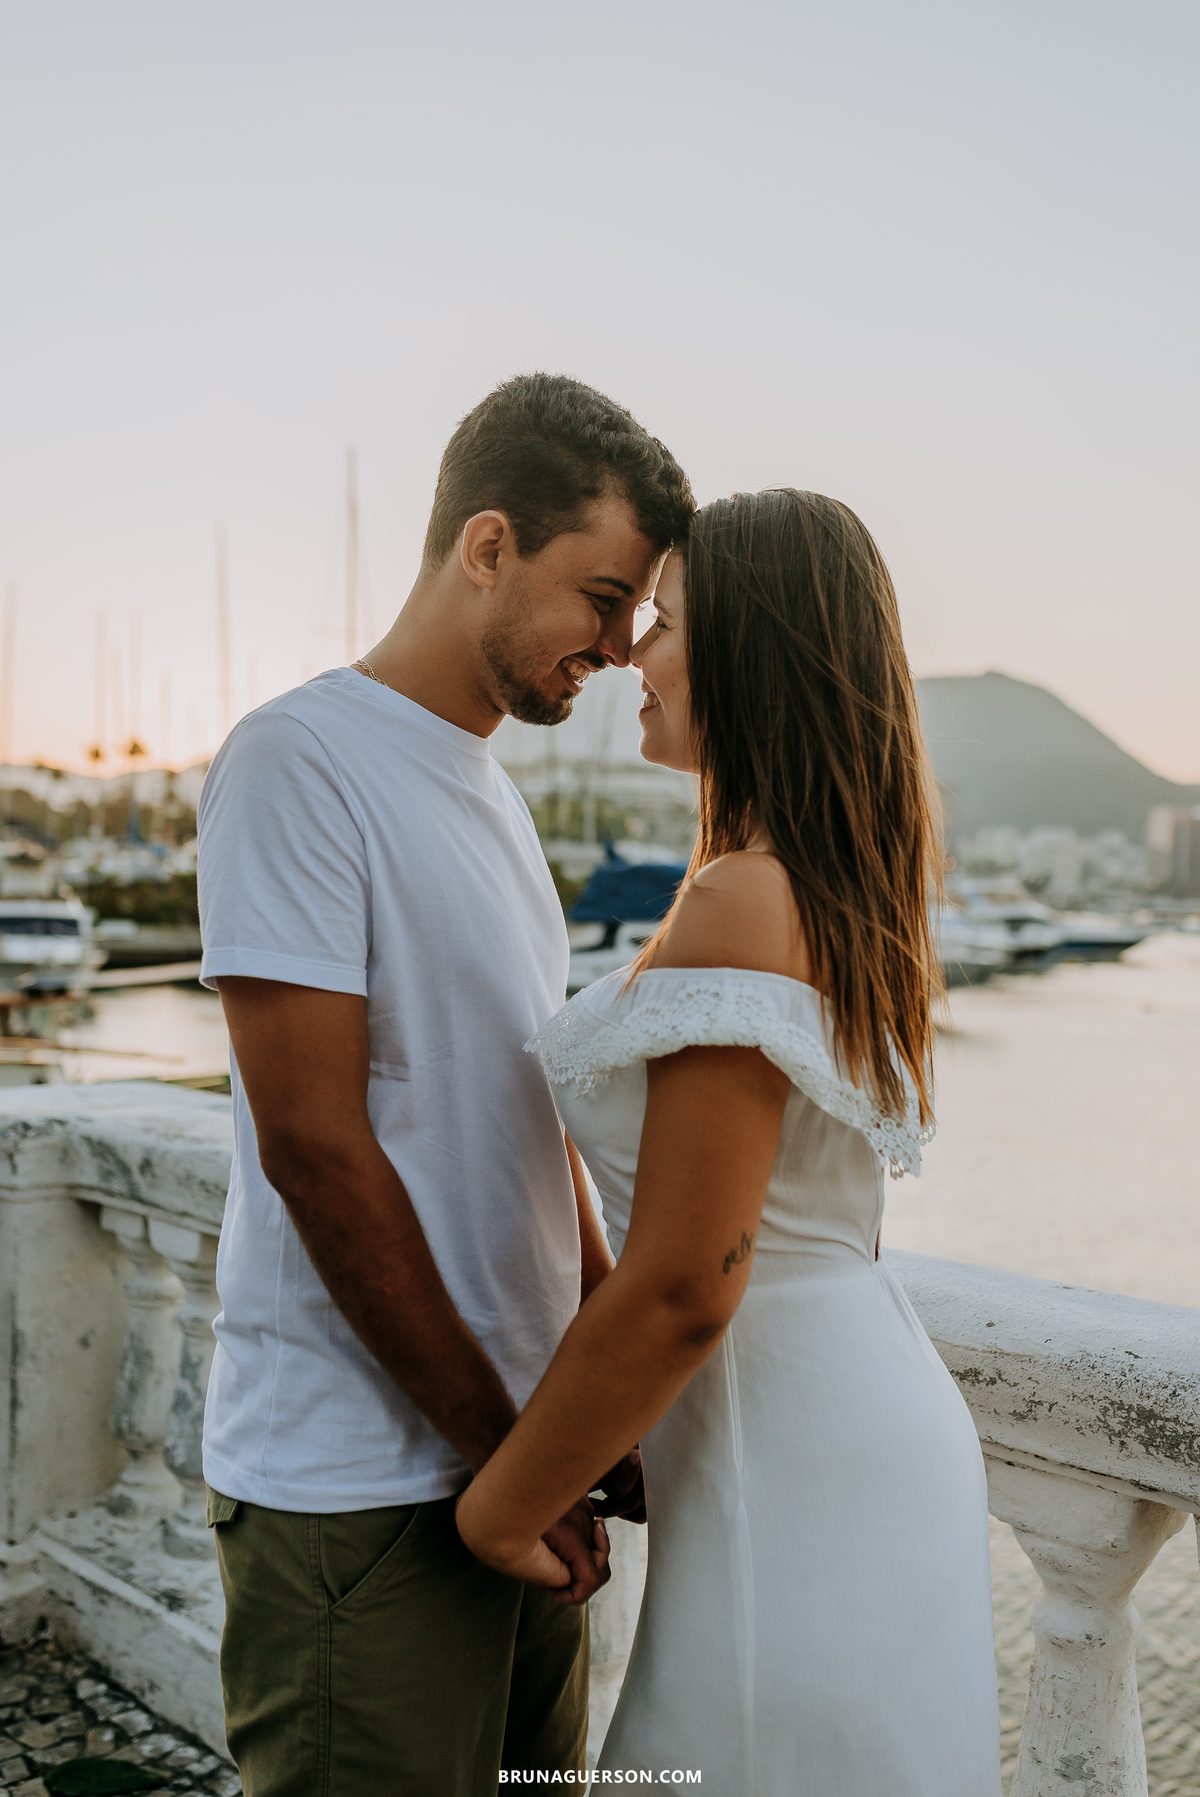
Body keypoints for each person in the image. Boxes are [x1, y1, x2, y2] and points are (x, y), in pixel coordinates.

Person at [457, 488, 1004, 1795]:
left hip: (794, 1465)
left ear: (759, 652)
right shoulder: (832, 891)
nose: (632, 655)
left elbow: (688, 1284)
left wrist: (500, 1509)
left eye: (669, 622)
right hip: (851, 1429)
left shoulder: (741, 898)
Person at [195, 372, 694, 1796]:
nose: (617, 645)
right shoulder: (299, 760)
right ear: (486, 546)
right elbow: (315, 1146)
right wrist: (504, 1457)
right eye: (600, 597)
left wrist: (581, 1422)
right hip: (366, 1487)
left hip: (516, 1477)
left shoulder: (494, 795)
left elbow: (529, 1135)